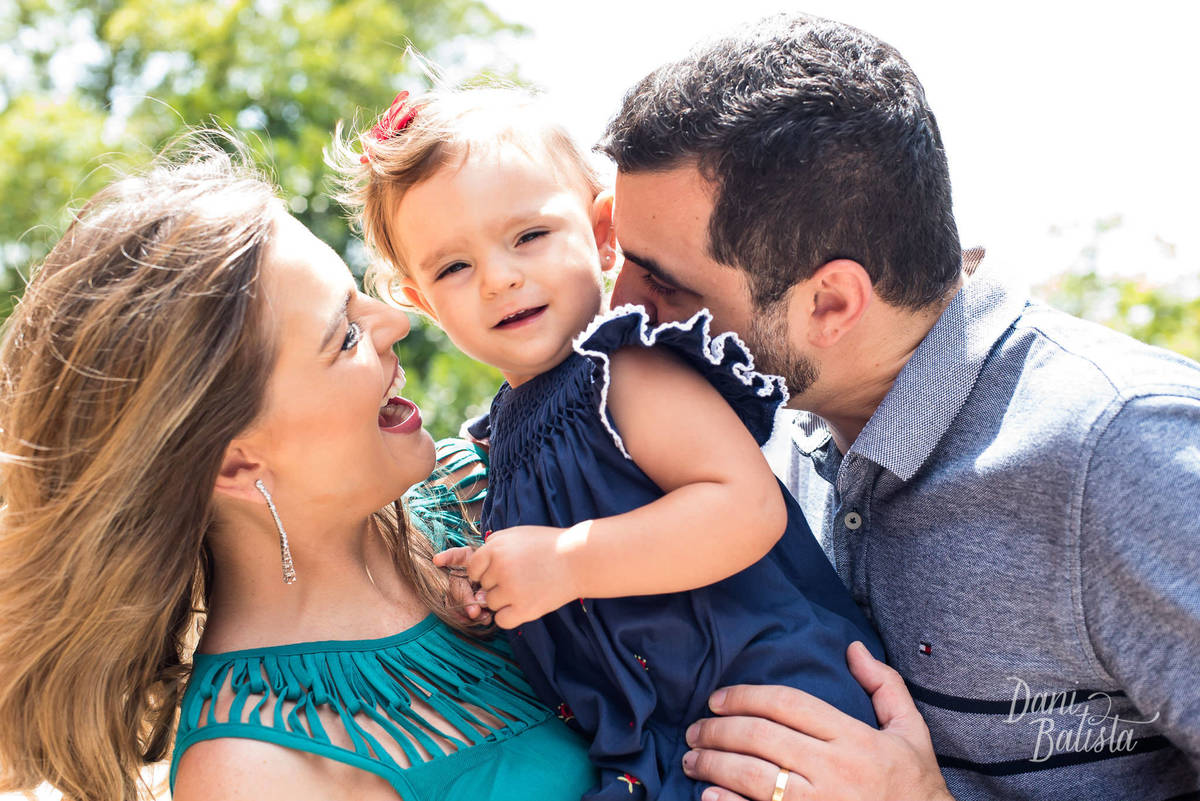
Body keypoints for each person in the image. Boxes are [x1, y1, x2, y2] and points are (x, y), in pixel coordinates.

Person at [597, 11, 1200, 801]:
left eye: (665, 282)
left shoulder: (1128, 454)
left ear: (832, 303)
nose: (618, 307)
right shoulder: (749, 446)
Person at [0, 137, 597, 801]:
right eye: (343, 335)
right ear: (236, 461)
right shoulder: (254, 770)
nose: (396, 320)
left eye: (356, 295)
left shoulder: (487, 488)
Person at [331, 87, 884, 800]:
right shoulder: (503, 441)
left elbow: (746, 510)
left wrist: (565, 563)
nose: (500, 277)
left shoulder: (622, 371)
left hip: (777, 703)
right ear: (419, 298)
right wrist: (502, 583)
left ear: (600, 232)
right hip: (659, 744)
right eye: (453, 268)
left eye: (529, 236)